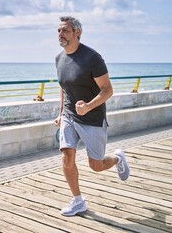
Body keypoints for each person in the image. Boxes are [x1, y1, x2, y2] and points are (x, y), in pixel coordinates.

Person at [54, 16, 130, 217]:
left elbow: (107, 90)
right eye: (59, 31)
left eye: (65, 31)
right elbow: (64, 89)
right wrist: (61, 114)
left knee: (96, 165)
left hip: (92, 118)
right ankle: (78, 201)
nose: (60, 34)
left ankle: (117, 158)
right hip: (70, 116)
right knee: (67, 155)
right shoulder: (58, 58)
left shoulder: (92, 58)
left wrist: (88, 106)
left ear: (77, 33)